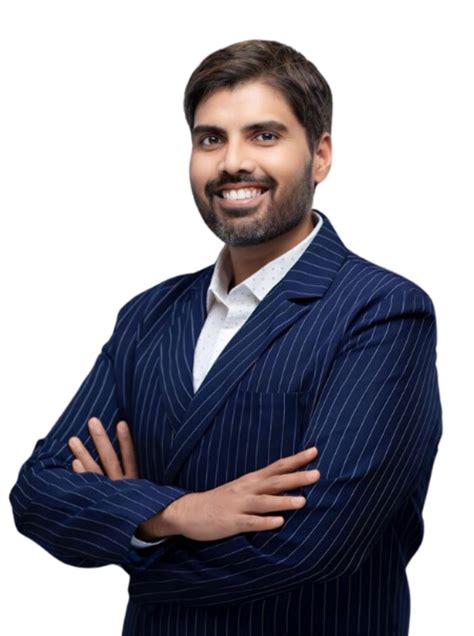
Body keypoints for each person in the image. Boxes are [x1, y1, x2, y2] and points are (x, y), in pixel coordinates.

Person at [9, 39, 442, 636]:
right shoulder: (148, 316)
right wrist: (179, 511)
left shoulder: (381, 311)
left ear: (320, 156)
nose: (233, 162)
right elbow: (38, 492)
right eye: (211, 139)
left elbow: (314, 546)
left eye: (264, 135)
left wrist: (133, 541)